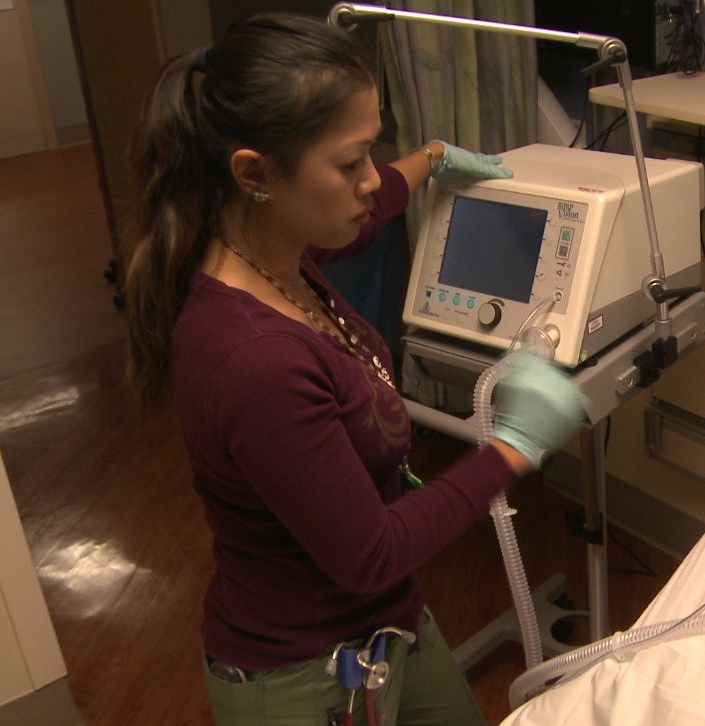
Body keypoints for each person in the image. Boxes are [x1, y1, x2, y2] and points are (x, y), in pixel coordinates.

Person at [121, 13, 585, 726]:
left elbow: (366, 215)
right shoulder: (253, 360)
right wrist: (512, 449)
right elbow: (372, 551)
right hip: (304, 670)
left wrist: (429, 159)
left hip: (385, 622)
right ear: (254, 174)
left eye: (374, 151)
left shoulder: (273, 254)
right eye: (349, 163)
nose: (371, 180)